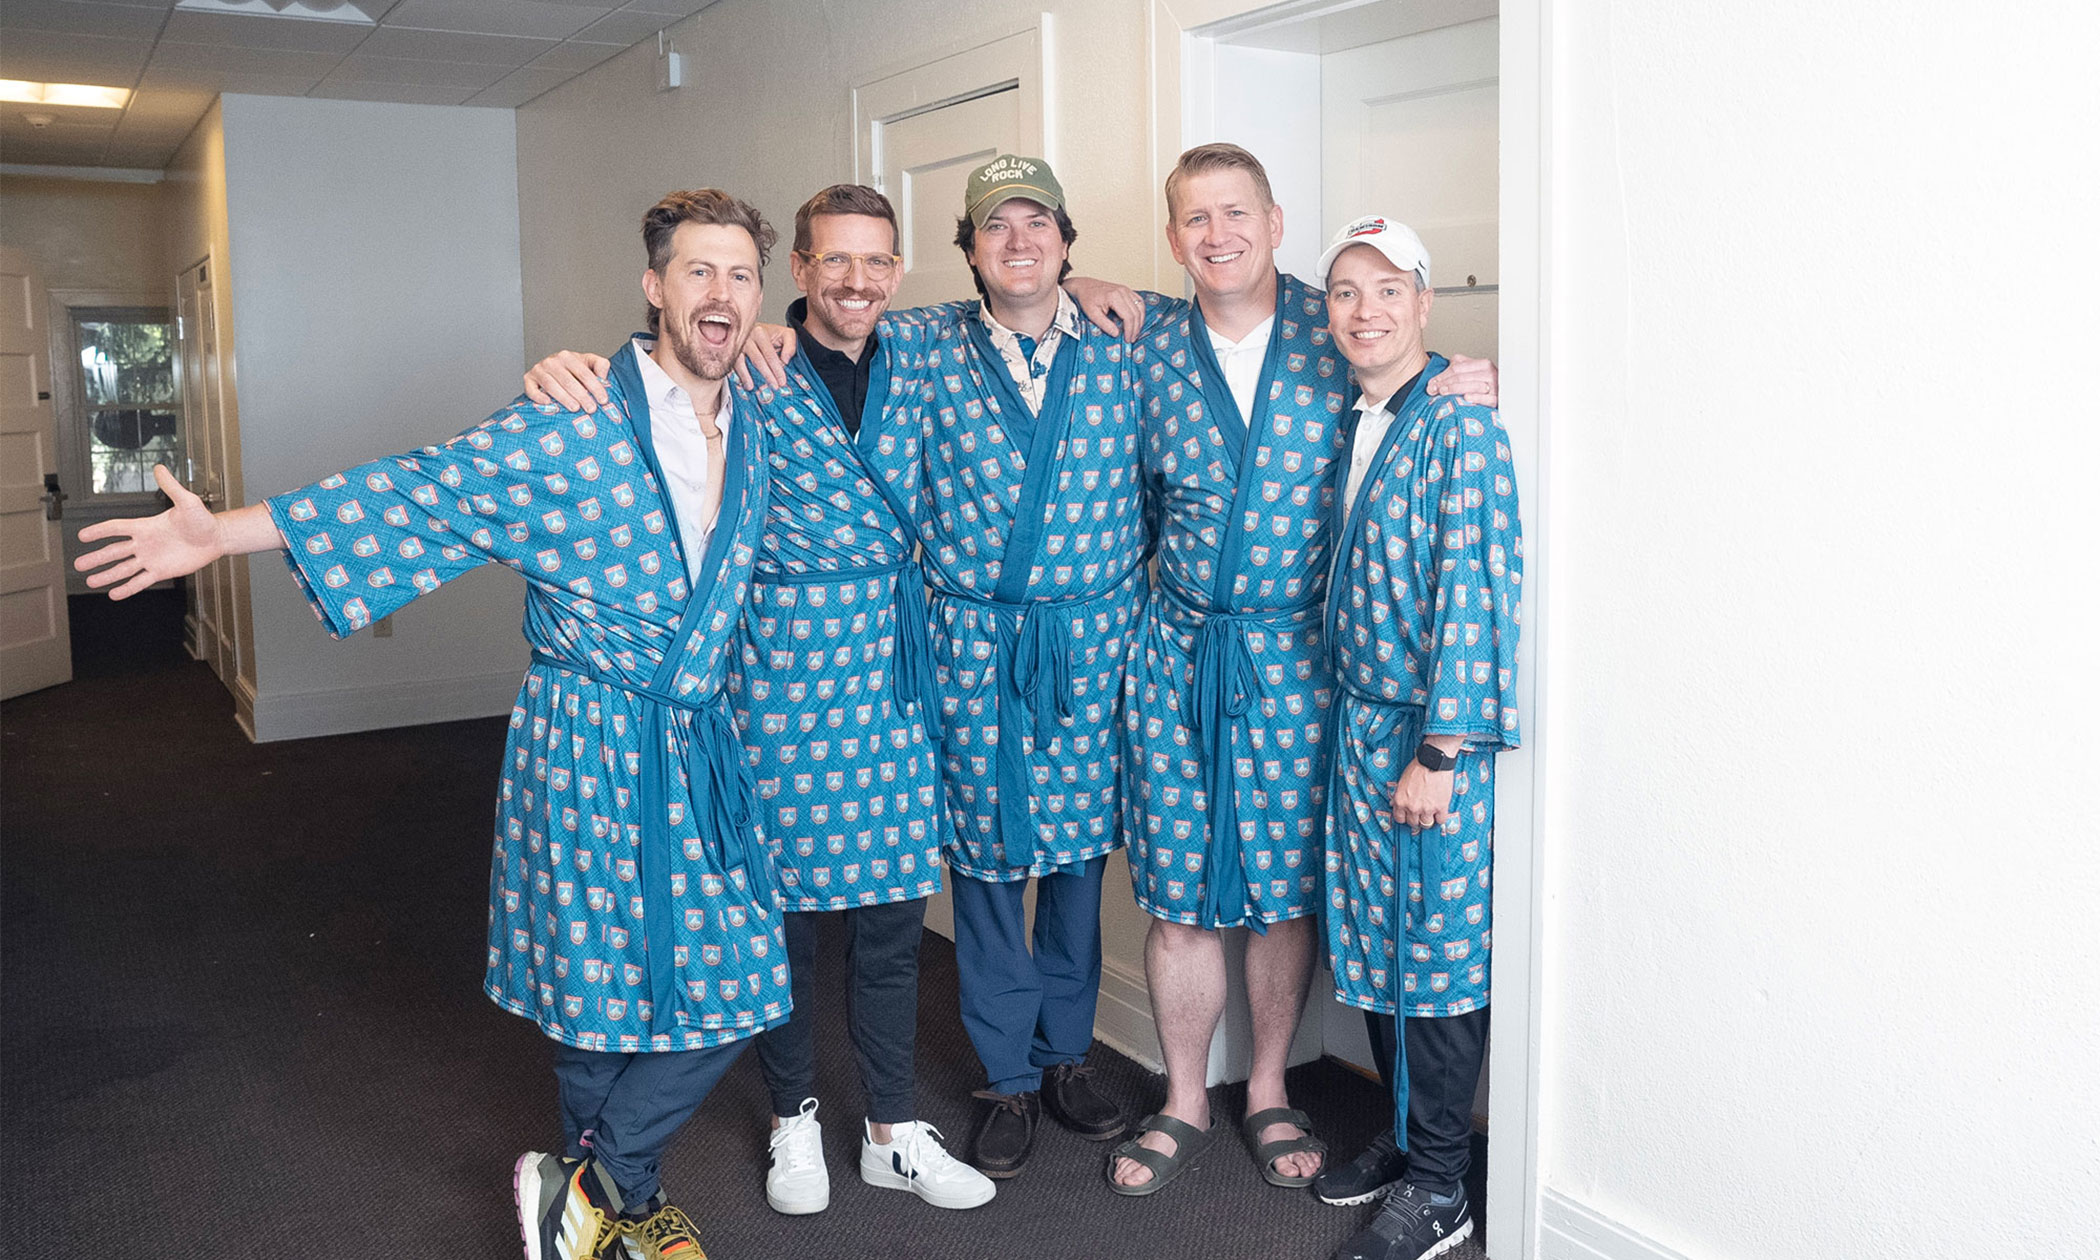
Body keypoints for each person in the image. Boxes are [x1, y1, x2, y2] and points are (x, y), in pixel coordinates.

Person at [76, 189, 786, 1260]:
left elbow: (866, 331)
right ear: (653, 288)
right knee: (592, 987)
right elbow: (418, 494)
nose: (719, 293)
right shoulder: (571, 420)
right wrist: (219, 535)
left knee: (743, 982)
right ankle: (620, 1213)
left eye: (740, 275)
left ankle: (585, 1184)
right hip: (585, 736)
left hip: (698, 736)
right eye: (698, 271)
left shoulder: (760, 415)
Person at [523, 185, 998, 1216]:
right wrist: (570, 365)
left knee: (888, 923)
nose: (857, 281)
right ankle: (793, 1120)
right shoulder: (749, 356)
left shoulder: (926, 350)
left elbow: (1018, 295)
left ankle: (889, 1129)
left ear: (902, 271)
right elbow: (661, 361)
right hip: (775, 671)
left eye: (877, 262)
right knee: (774, 918)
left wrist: (1091, 281)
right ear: (799, 271)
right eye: (834, 261)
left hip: (890, 667)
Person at [1089, 144, 1499, 1199]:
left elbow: (1409, 373)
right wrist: (1080, 282)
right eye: (1194, 220)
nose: (1216, 235)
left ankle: (1268, 1086)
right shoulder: (1140, 338)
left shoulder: (1336, 323)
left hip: (1302, 663)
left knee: (1283, 896)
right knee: (1178, 897)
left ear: (1274, 223)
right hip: (1176, 652)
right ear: (1173, 237)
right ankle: (1184, 1098)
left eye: (1236, 214)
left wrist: (1470, 375)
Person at [1314, 215, 1522, 1260]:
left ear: (1425, 306)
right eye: (1346, 292)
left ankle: (1444, 1186)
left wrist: (1441, 752)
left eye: (1388, 290)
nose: (1366, 310)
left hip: (1427, 740)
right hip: (1356, 724)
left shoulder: (1459, 423)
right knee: (1381, 947)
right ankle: (1402, 1143)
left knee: (1436, 958)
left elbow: (1477, 593)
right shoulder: (1361, 416)